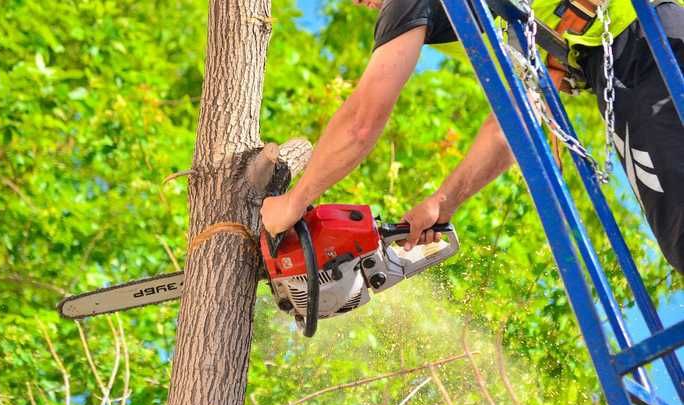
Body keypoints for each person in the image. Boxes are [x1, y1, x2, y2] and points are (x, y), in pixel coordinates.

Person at [260, 0, 684, 274]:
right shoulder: (514, 16)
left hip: (649, 52)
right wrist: (442, 203)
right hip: (639, 49)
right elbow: (511, 123)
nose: (359, 3)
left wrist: (291, 204)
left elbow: (361, 123)